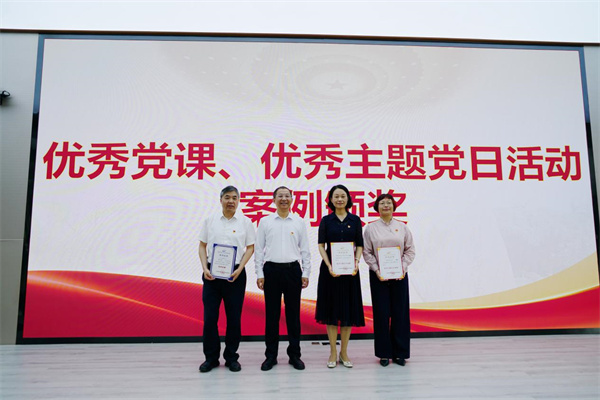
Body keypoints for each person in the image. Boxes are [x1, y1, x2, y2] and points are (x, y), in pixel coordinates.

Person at [198, 185, 255, 373]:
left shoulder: (245, 222)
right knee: (210, 318)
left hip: (235, 274)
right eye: (227, 197)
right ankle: (211, 358)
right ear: (221, 199)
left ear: (238, 201)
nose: (231, 201)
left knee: (234, 319)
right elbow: (202, 245)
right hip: (212, 275)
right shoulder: (210, 220)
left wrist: (240, 269)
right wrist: (205, 268)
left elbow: (250, 247)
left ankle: (231, 357)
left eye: (234, 198)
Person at [255, 186, 311, 371]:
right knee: (272, 316)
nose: (284, 199)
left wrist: (306, 273)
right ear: (274, 200)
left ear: (292, 199)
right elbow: (258, 249)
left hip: (293, 271)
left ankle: (294, 355)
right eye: (280, 196)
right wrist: (260, 274)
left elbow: (305, 249)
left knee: (293, 316)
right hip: (271, 270)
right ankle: (270, 356)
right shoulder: (265, 221)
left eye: (287, 196)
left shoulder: (299, 222)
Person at [315, 184, 365, 368]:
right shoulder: (326, 221)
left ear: (348, 198)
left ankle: (344, 352)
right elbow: (321, 245)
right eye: (336, 196)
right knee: (331, 312)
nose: (339, 199)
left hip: (350, 272)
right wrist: (329, 264)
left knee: (347, 312)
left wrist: (356, 261)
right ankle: (332, 352)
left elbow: (359, 244)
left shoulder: (355, 220)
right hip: (330, 272)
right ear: (331, 199)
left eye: (343, 196)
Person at [363, 193, 415, 367]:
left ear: (394, 206)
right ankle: (384, 353)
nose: (386, 205)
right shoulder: (370, 228)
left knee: (400, 314)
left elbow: (410, 250)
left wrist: (403, 267)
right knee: (381, 314)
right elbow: (367, 252)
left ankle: (400, 353)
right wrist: (377, 270)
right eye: (382, 203)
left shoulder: (402, 227)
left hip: (400, 275)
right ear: (376, 207)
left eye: (389, 203)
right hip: (378, 276)